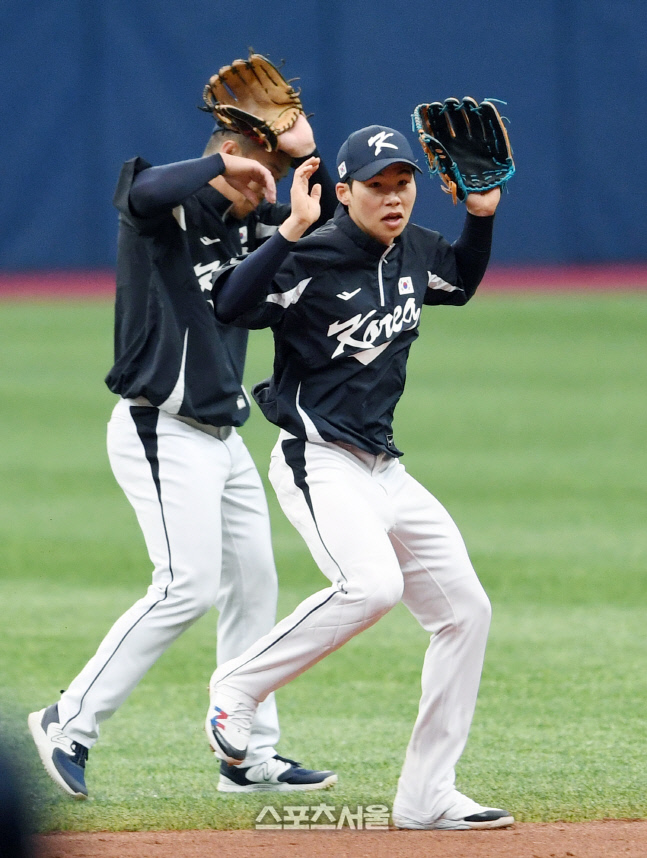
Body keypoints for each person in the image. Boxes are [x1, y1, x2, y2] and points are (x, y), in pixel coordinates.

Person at [27, 86, 339, 798]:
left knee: (254, 585)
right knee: (184, 586)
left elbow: (291, 237)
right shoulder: (167, 208)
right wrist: (223, 166)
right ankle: (66, 722)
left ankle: (247, 754)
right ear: (227, 158)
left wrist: (292, 163)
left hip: (221, 437)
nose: (257, 192)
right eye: (247, 173)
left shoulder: (253, 227)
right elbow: (144, 186)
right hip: (157, 426)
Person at [203, 124, 515, 830]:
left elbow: (457, 282)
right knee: (372, 585)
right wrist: (286, 231)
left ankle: (425, 795)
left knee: (466, 612)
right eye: (375, 185)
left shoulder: (413, 251)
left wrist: (479, 215)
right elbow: (231, 305)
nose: (392, 196)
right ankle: (236, 688)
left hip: (385, 467)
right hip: (319, 460)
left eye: (401, 182)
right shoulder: (309, 253)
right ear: (343, 193)